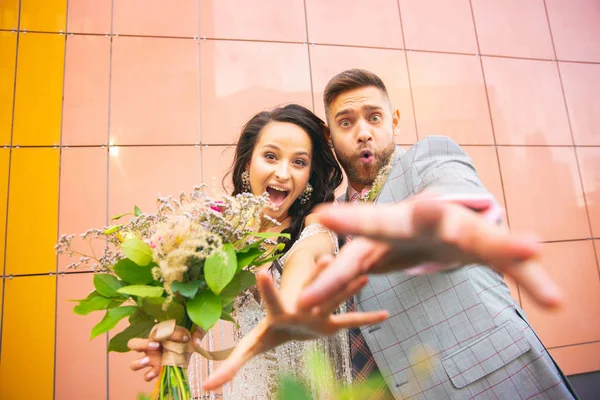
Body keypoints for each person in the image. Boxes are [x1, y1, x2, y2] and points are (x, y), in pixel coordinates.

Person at [203, 70, 578, 399]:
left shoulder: (426, 159)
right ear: (331, 138)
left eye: (374, 117)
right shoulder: (335, 217)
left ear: (394, 120)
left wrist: (450, 226)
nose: (363, 132)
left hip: (494, 383)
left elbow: (454, 195)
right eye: (346, 123)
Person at [127, 103, 388, 398]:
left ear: (309, 177)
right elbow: (202, 309)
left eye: (299, 162)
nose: (283, 173)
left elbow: (307, 255)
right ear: (248, 163)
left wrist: (287, 304)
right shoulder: (222, 239)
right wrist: (178, 345)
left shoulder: (315, 223)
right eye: (270, 157)